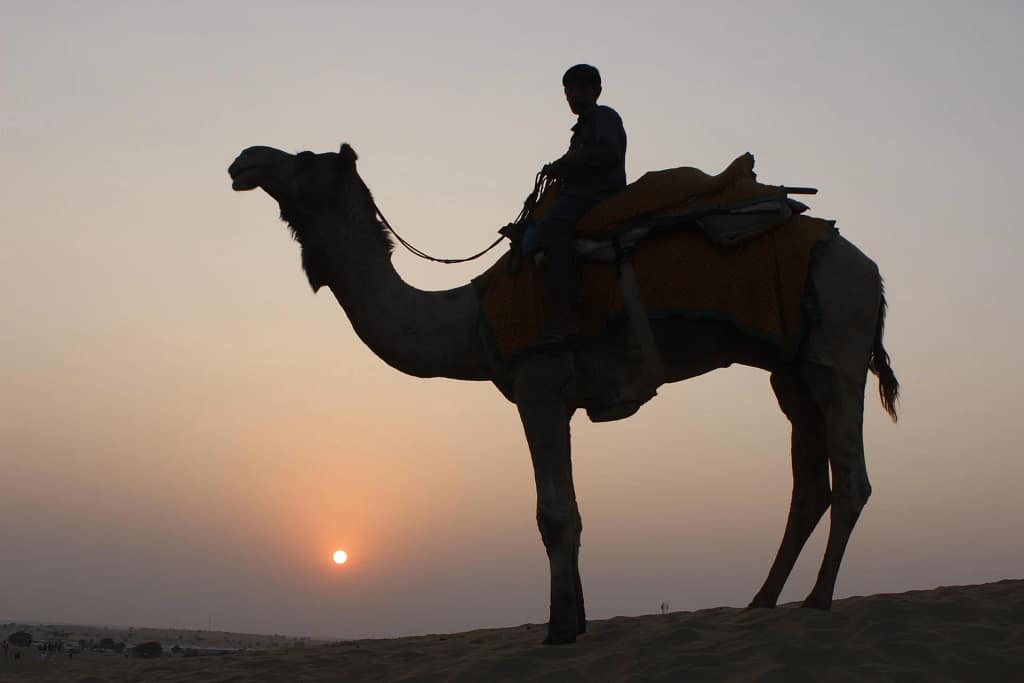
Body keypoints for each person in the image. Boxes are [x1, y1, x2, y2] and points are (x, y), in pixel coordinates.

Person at [534, 64, 627, 341]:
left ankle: (565, 309)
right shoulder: (582, 129)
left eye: (579, 88)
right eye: (568, 90)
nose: (573, 95)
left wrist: (567, 164)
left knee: (554, 226)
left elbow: (608, 153)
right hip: (581, 194)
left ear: (596, 91)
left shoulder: (605, 117)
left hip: (598, 194)